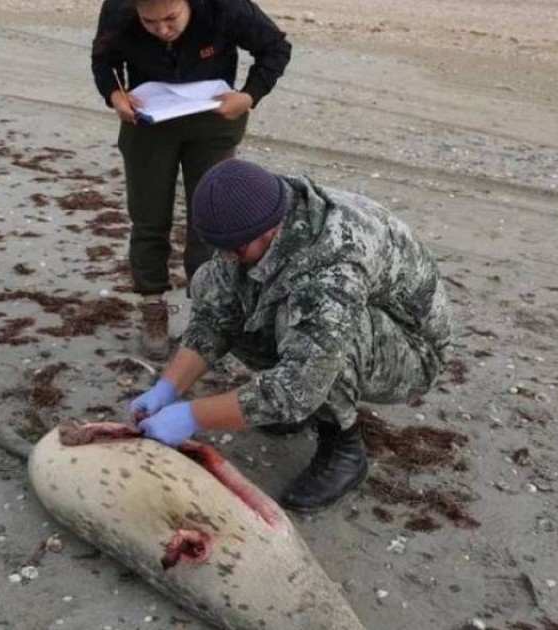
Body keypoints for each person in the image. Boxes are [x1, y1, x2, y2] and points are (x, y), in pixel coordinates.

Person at [127, 159, 454, 512]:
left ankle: (343, 445)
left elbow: (301, 385)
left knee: (325, 332)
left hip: (412, 350)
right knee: (214, 283)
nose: (227, 255)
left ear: (268, 230)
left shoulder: (331, 263)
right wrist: (167, 388)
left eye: (234, 248)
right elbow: (215, 317)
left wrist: (191, 416)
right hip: (336, 311)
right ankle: (287, 411)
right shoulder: (256, 215)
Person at [91, 0, 292, 360]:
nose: (163, 30)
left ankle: (207, 313)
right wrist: (115, 95)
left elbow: (276, 47)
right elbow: (102, 61)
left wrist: (248, 95)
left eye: (171, 19)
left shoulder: (225, 7)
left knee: (210, 222)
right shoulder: (118, 8)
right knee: (149, 215)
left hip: (214, 119)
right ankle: (153, 306)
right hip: (147, 122)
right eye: (150, 23)